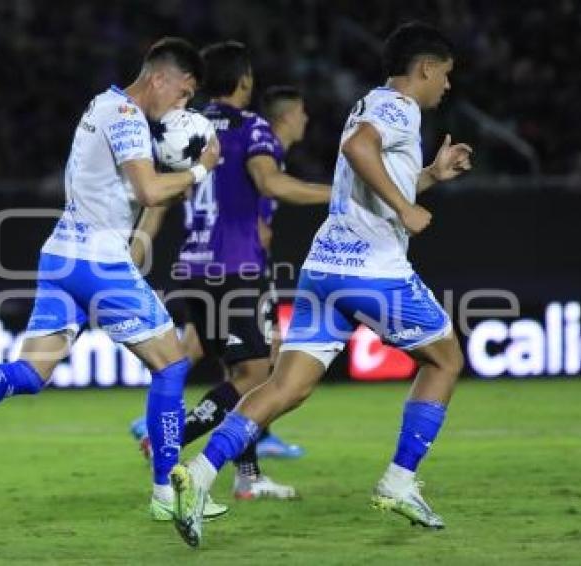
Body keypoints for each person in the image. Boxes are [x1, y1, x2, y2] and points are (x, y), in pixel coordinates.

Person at [0, 37, 230, 522]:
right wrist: (202, 168)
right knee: (173, 366)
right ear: (161, 78)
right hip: (99, 262)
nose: (184, 105)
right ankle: (164, 494)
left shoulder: (102, 103)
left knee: (31, 373)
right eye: (184, 93)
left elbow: (134, 190)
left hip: (60, 257)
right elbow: (150, 190)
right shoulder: (129, 118)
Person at [169, 22, 474, 547]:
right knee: (445, 360)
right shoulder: (400, 109)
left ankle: (196, 475)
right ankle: (399, 481)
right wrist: (408, 207)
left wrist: (427, 175)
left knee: (286, 387)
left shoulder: (370, 103)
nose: (446, 86)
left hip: (324, 268)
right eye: (444, 75)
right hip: (371, 268)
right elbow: (360, 151)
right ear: (424, 68)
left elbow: (366, 173)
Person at [130, 42, 331, 502]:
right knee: (257, 377)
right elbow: (267, 183)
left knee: (237, 370)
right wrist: (338, 194)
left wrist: (137, 246)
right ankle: (173, 439)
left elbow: (158, 199)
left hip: (192, 269)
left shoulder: (187, 127)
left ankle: (248, 476)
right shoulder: (252, 127)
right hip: (236, 270)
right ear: (245, 81)